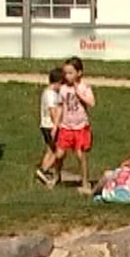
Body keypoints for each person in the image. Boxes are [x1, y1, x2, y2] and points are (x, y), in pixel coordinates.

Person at [54, 57, 96, 190]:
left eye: (70, 73)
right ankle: (56, 175)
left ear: (79, 73)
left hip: (80, 127)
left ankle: (84, 181)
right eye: (65, 73)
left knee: (80, 154)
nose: (67, 76)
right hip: (66, 126)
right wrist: (56, 125)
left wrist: (80, 94)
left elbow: (92, 103)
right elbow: (60, 107)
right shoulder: (63, 89)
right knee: (59, 154)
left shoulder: (85, 87)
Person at [35, 68, 63, 186]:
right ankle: (43, 171)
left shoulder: (47, 92)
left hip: (45, 125)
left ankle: (50, 174)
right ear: (57, 82)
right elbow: (53, 111)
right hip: (50, 126)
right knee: (59, 152)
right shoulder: (51, 95)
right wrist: (56, 126)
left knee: (50, 150)